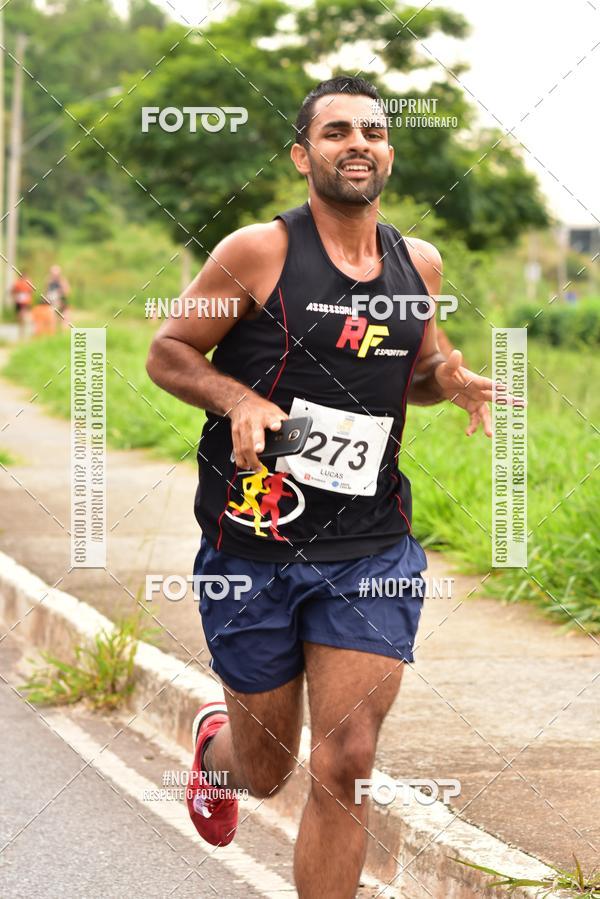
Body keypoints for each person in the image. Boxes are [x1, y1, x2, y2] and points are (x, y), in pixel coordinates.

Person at [146, 75, 501, 898]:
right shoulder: (258, 251)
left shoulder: (420, 264)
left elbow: (415, 368)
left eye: (373, 131)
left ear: (390, 151)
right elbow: (168, 350)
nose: (359, 144)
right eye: (337, 131)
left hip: (368, 546)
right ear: (304, 154)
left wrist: (450, 378)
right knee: (267, 770)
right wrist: (236, 396)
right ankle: (217, 752)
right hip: (255, 545)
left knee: (348, 759)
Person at [45, 264, 71, 328]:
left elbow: (67, 291)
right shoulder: (48, 281)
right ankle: (53, 331)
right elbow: (46, 291)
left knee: (65, 317)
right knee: (52, 317)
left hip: (62, 301)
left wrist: (61, 292)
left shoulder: (62, 280)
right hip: (52, 302)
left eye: (56, 274)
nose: (55, 276)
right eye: (53, 274)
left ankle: (64, 331)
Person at [11, 272, 34, 338]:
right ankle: (21, 333)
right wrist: (16, 297)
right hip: (19, 302)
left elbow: (31, 291)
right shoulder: (17, 283)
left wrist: (27, 295)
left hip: (26, 303)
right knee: (20, 318)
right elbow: (13, 291)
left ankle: (26, 332)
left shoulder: (28, 282)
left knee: (25, 317)